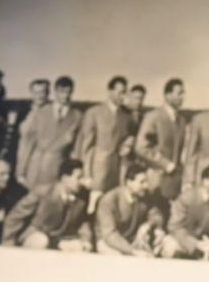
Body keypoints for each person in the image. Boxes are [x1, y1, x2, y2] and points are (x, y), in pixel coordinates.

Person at [2, 158, 92, 250]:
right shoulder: (43, 193)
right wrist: (8, 243)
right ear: (65, 178)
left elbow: (83, 223)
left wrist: (86, 240)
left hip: (60, 240)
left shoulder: (81, 199)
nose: (82, 182)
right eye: (78, 177)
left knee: (79, 247)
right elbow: (15, 217)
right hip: (35, 237)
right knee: (41, 241)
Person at [75, 75, 132, 212]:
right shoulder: (94, 113)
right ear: (110, 91)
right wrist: (86, 173)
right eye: (120, 92)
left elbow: (126, 139)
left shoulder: (126, 116)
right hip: (97, 170)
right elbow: (86, 145)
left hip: (116, 171)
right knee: (92, 207)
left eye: (125, 92)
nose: (123, 96)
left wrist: (128, 145)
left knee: (110, 206)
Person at [18, 75, 82, 192]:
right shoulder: (41, 111)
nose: (65, 96)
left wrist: (72, 174)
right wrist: (21, 171)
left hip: (57, 169)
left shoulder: (77, 116)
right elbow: (27, 143)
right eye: (62, 92)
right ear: (55, 91)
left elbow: (76, 148)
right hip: (35, 169)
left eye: (68, 92)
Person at [136, 77, 186, 204]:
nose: (182, 97)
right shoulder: (153, 117)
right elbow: (141, 148)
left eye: (183, 93)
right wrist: (165, 164)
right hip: (156, 180)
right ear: (167, 95)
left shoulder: (182, 121)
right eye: (179, 93)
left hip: (174, 183)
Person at [95, 162, 163, 257]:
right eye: (142, 182)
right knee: (119, 258)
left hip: (131, 241)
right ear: (129, 182)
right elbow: (109, 234)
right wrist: (132, 251)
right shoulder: (109, 200)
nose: (146, 186)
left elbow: (156, 215)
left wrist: (148, 225)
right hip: (109, 243)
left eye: (147, 182)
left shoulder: (144, 196)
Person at [7, 77, 52, 167]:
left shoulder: (54, 113)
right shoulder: (22, 113)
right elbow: (14, 138)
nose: (39, 96)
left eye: (42, 92)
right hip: (23, 160)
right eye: (36, 92)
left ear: (48, 93)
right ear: (31, 93)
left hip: (44, 163)